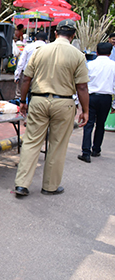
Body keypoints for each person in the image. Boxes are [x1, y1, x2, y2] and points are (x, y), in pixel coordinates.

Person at [14, 19, 89, 197]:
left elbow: (26, 78)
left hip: (38, 100)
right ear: (73, 35)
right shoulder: (78, 56)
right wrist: (85, 110)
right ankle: (50, 186)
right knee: (57, 145)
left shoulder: (39, 51)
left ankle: (21, 185)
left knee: (31, 142)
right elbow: (82, 87)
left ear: (55, 33)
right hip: (64, 103)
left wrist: (23, 100)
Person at [78, 42, 115, 162]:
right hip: (106, 98)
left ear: (97, 52)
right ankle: (96, 149)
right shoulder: (113, 65)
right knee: (100, 124)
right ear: (110, 53)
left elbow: (83, 83)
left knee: (88, 123)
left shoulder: (90, 65)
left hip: (91, 97)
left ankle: (86, 152)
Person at [14, 31, 47, 100]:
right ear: (45, 40)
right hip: (42, 75)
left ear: (35, 38)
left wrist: (17, 75)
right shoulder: (48, 48)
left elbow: (21, 62)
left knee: (22, 93)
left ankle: (22, 105)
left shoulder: (29, 47)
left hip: (27, 73)